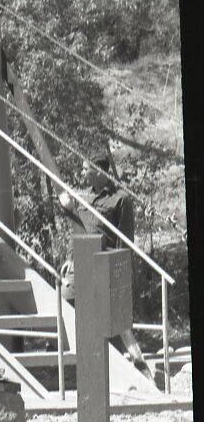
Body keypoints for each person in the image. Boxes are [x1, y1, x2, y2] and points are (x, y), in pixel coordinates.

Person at [58, 152, 149, 371]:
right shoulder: (82, 197)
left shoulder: (120, 199)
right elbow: (78, 228)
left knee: (113, 317)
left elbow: (125, 239)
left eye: (84, 168)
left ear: (99, 171)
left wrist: (120, 270)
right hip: (81, 262)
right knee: (66, 299)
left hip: (107, 264)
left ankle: (129, 364)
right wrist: (71, 258)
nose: (81, 172)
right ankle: (79, 357)